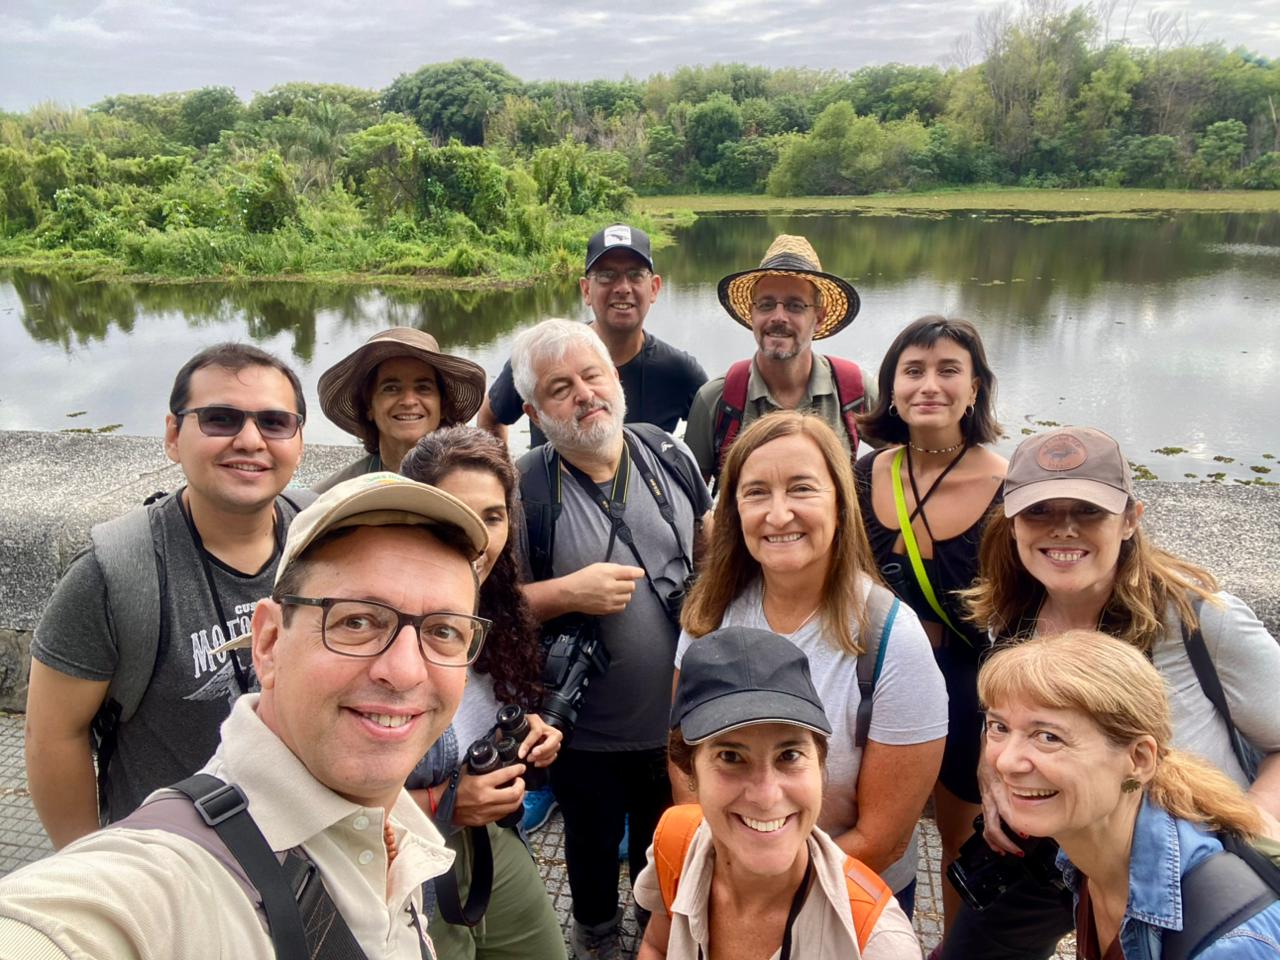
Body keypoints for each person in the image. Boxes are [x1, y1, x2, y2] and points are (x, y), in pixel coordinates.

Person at [0, 472, 492, 959]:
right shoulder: (164, 884)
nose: (404, 672)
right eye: (357, 621)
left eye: (443, 631)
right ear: (269, 642)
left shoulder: (394, 830)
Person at [941, 426, 1280, 960]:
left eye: (1089, 510)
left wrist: (1247, 821)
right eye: (1039, 511)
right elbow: (1009, 713)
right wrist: (995, 772)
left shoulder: (1198, 621)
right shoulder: (1010, 616)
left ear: (1130, 520)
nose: (1064, 528)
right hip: (1056, 848)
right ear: (1011, 523)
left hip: (1173, 865)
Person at [25, 343, 312, 846]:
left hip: (307, 845)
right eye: (220, 419)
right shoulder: (114, 571)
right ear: (174, 436)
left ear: (299, 441)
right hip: (171, 861)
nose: (250, 440)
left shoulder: (323, 535)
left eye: (274, 422)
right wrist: (92, 865)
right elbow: (53, 735)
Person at [677, 411, 948, 916]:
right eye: (757, 492)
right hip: (728, 881)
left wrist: (768, 900)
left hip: (848, 891)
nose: (779, 514)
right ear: (734, 510)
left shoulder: (892, 638)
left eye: (801, 488)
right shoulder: (708, 615)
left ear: (841, 504)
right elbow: (685, 764)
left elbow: (882, 837)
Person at [510, 318, 712, 960]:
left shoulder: (668, 454)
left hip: (678, 720)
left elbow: (710, 552)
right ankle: (595, 934)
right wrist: (566, 593)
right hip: (582, 730)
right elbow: (488, 611)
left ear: (616, 381)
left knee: (667, 838)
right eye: (560, 388)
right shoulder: (524, 489)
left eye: (592, 376)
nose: (584, 395)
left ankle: (659, 931)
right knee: (591, 843)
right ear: (535, 413)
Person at [979, 630, 1280, 959]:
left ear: (1139, 759)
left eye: (1048, 737)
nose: (1006, 762)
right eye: (999, 727)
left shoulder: (1230, 945)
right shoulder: (1090, 853)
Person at [634, 626, 922, 960]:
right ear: (690, 771)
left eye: (789, 755)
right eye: (730, 757)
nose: (766, 796)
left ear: (820, 764)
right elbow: (657, 945)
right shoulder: (677, 843)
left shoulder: (876, 946)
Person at [854, 315, 1007, 936]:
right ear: (891, 387)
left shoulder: (1006, 487)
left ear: (975, 389)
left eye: (948, 371)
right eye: (913, 371)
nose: (929, 385)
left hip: (965, 684)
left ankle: (954, 948)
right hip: (869, 675)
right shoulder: (862, 474)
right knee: (869, 827)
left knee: (963, 842)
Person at [399, 427, 567, 959]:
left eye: (493, 516)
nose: (478, 537)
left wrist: (522, 733)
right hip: (402, 861)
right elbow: (316, 796)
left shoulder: (491, 613)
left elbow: (473, 720)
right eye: (455, 514)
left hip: (488, 838)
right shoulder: (374, 628)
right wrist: (442, 802)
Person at [478, 223, 706, 448]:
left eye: (636, 275)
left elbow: (714, 431)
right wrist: (503, 471)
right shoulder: (541, 356)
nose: (623, 288)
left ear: (654, 288)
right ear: (586, 290)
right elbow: (490, 417)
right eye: (607, 275)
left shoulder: (679, 372)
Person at [684, 234, 873, 484]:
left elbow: (911, 458)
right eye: (766, 304)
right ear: (752, 313)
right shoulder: (716, 399)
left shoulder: (855, 390)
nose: (778, 317)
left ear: (819, 318)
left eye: (795, 306)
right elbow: (689, 497)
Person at [314, 326, 486, 491]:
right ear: (368, 406)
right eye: (391, 388)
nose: (409, 401)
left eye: (423, 388)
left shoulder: (471, 488)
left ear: (443, 405)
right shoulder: (335, 493)